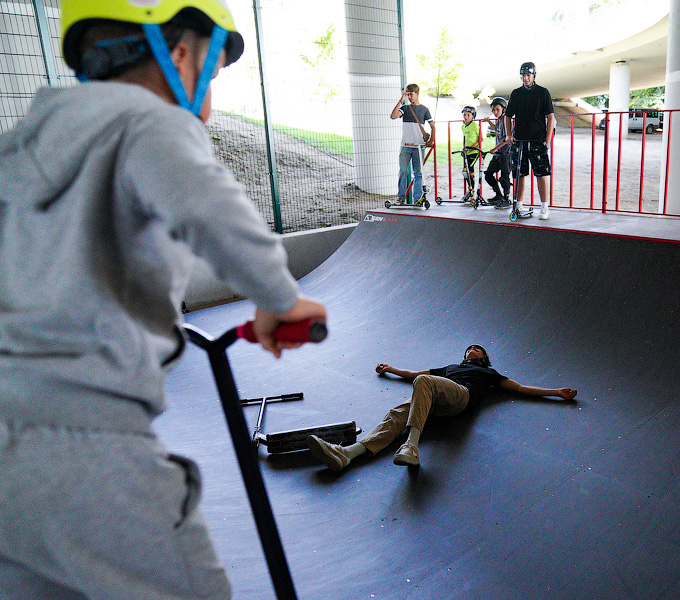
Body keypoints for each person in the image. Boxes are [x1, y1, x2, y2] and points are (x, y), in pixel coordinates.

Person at [0, 1, 327, 598]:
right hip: (89, 450)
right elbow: (207, 206)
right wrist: (280, 298)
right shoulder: (149, 122)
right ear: (180, 53)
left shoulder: (22, 145)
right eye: (215, 73)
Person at [306, 344, 577, 470]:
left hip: (461, 398)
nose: (472, 350)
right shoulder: (451, 368)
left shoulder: (489, 373)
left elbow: (519, 389)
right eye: (469, 348)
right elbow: (415, 375)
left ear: (484, 358)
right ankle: (347, 454)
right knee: (397, 414)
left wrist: (556, 392)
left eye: (477, 349)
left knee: (426, 383)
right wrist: (390, 369)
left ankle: (411, 446)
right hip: (434, 401)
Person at [505, 61, 556, 220]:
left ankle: (544, 206)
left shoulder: (542, 92)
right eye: (523, 75)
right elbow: (508, 115)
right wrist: (508, 134)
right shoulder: (516, 93)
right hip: (519, 140)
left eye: (528, 75)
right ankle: (519, 203)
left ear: (534, 75)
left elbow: (550, 117)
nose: (525, 78)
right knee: (519, 173)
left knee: (541, 173)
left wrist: (547, 141)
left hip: (538, 139)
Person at [390, 83, 436, 205]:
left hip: (418, 146)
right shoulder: (405, 108)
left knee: (418, 173)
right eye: (407, 94)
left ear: (417, 93)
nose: (409, 97)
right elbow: (393, 116)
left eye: (411, 94)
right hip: (405, 145)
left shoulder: (424, 110)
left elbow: (432, 126)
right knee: (403, 171)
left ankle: (417, 198)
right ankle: (401, 197)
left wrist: (431, 140)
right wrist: (401, 101)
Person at [484, 96, 513, 208]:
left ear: (504, 109)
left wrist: (495, 148)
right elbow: (497, 129)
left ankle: (506, 199)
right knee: (488, 175)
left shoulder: (507, 120)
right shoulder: (500, 120)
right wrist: (488, 121)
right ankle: (498, 196)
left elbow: (506, 138)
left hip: (506, 153)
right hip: (498, 154)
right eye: (493, 110)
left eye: (497, 110)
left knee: (504, 178)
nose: (495, 112)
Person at [460, 105, 483, 201]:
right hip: (466, 153)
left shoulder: (475, 126)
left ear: (473, 116)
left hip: (474, 152)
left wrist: (472, 147)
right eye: (464, 114)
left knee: (468, 171)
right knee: (466, 172)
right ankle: (470, 190)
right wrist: (464, 148)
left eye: (468, 115)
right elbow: (465, 138)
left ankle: (472, 191)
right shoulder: (463, 126)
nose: (465, 117)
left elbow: (480, 138)